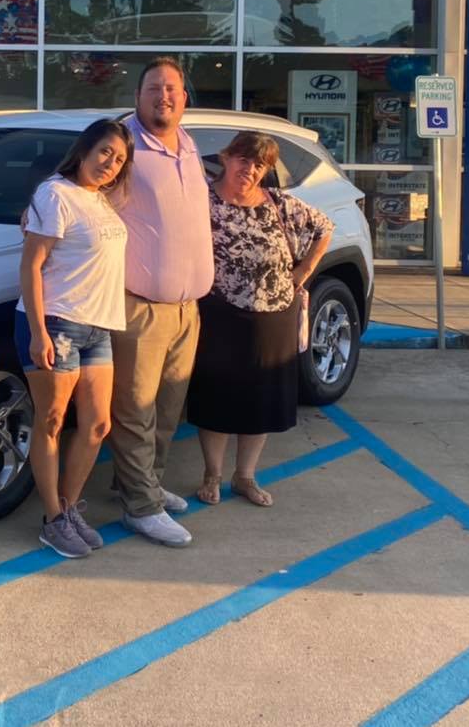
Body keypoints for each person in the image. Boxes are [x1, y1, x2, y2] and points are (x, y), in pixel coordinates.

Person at [186, 131, 333, 508]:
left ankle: (245, 476)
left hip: (275, 315)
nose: (249, 170)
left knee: (262, 398)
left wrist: (303, 271)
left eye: (259, 164)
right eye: (243, 159)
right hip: (219, 312)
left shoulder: (279, 202)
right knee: (217, 395)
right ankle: (212, 474)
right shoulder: (201, 200)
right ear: (226, 157)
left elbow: (324, 228)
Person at [16, 119, 134, 559]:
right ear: (84, 150)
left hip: (98, 326)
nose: (110, 163)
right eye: (104, 152)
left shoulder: (100, 198)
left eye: (119, 159)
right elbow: (31, 265)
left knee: (98, 425)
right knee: (51, 421)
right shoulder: (55, 194)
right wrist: (38, 332)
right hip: (58, 322)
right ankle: (53, 520)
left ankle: (67, 508)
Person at [108, 58, 214, 548]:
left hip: (187, 308)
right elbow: (81, 192)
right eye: (154, 88)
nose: (164, 96)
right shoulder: (122, 146)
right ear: (137, 97)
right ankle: (141, 508)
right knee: (135, 410)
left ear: (184, 98)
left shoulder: (188, 145)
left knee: (168, 408)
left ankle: (143, 483)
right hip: (140, 306)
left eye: (172, 88)